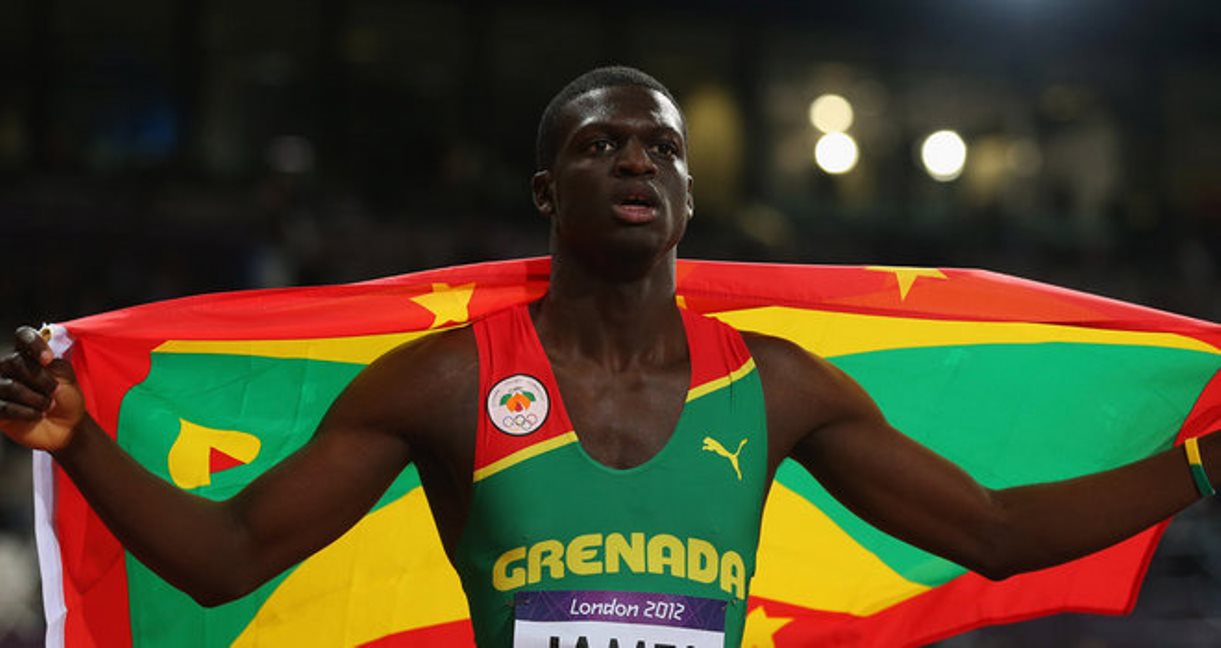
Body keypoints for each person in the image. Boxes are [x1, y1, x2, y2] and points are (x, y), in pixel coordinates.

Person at [0, 66, 1217, 648]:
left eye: (663, 150)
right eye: (603, 146)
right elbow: (228, 559)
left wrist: (1203, 466)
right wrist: (80, 442)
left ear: (688, 197)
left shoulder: (776, 383)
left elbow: (992, 533)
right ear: (547, 187)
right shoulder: (450, 380)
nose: (639, 163)